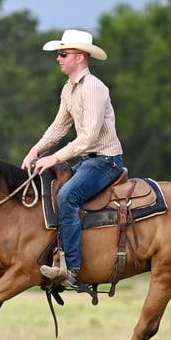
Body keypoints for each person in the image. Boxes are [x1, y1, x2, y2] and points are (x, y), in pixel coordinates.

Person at [21, 29, 124, 289]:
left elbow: (88, 137)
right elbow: (59, 126)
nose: (58, 58)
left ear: (79, 56)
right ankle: (56, 257)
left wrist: (54, 157)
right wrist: (36, 150)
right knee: (51, 189)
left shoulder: (94, 88)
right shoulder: (69, 89)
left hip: (105, 161)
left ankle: (72, 270)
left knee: (68, 196)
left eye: (63, 53)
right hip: (88, 161)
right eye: (59, 53)